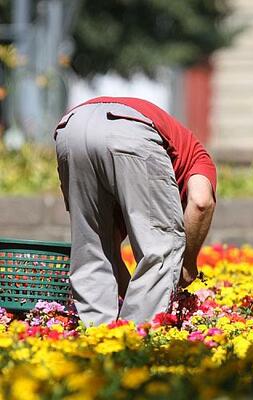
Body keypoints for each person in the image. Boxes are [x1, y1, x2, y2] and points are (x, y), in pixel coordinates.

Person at [53, 96, 217, 326]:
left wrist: (131, 295)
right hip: (132, 131)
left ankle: (96, 343)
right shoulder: (198, 157)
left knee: (92, 247)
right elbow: (201, 202)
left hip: (71, 128)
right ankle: (135, 347)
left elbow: (111, 253)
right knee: (162, 249)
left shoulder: (122, 189)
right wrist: (187, 264)